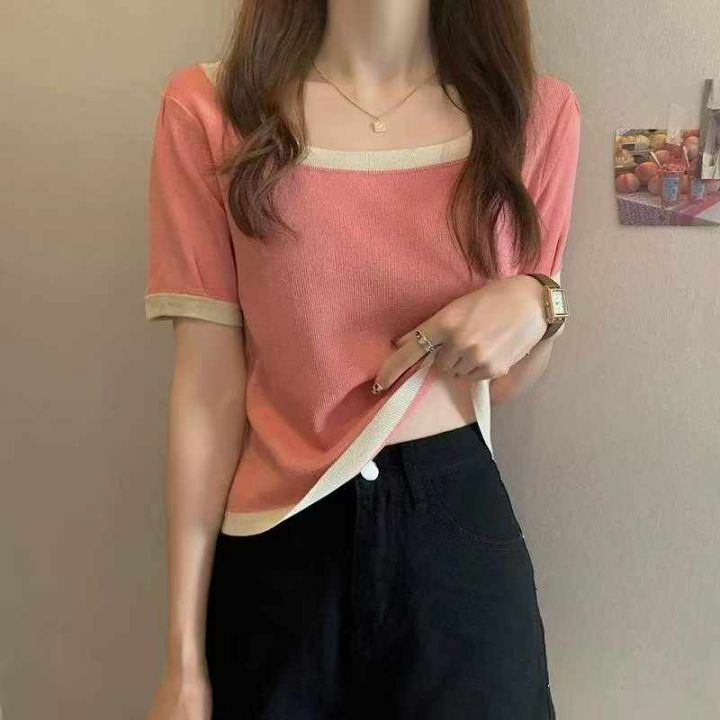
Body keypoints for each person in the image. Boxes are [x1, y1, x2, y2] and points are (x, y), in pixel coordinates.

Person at [144, 1, 580, 718]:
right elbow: (206, 392)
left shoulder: (531, 114)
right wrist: (183, 661)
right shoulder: (211, 110)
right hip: (278, 551)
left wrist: (541, 303)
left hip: (455, 548)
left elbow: (503, 382)